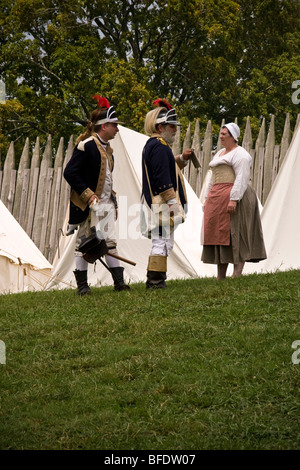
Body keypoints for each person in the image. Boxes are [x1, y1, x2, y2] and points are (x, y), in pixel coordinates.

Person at [64, 95, 130, 295]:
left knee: (109, 242)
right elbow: (70, 173)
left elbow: (107, 180)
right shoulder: (86, 145)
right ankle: (83, 287)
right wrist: (89, 196)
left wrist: (114, 202)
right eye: (115, 125)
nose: (117, 129)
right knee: (84, 244)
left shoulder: (108, 150)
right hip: (88, 206)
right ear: (104, 126)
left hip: (106, 205)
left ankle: (119, 283)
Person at [201, 122, 266, 279]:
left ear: (233, 137)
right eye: (221, 134)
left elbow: (242, 178)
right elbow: (212, 177)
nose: (221, 136)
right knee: (219, 234)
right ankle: (221, 275)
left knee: (237, 232)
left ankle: (237, 274)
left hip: (236, 195)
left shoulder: (241, 154)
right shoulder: (220, 153)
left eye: (224, 134)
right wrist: (207, 197)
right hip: (217, 196)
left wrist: (234, 199)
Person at [141, 98, 193, 288]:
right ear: (160, 127)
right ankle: (155, 282)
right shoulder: (160, 146)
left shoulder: (156, 145)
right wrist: (173, 203)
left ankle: (155, 280)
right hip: (161, 202)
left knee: (163, 240)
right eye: (172, 126)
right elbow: (162, 178)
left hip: (158, 201)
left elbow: (167, 167)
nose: (175, 129)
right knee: (161, 242)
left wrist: (181, 159)